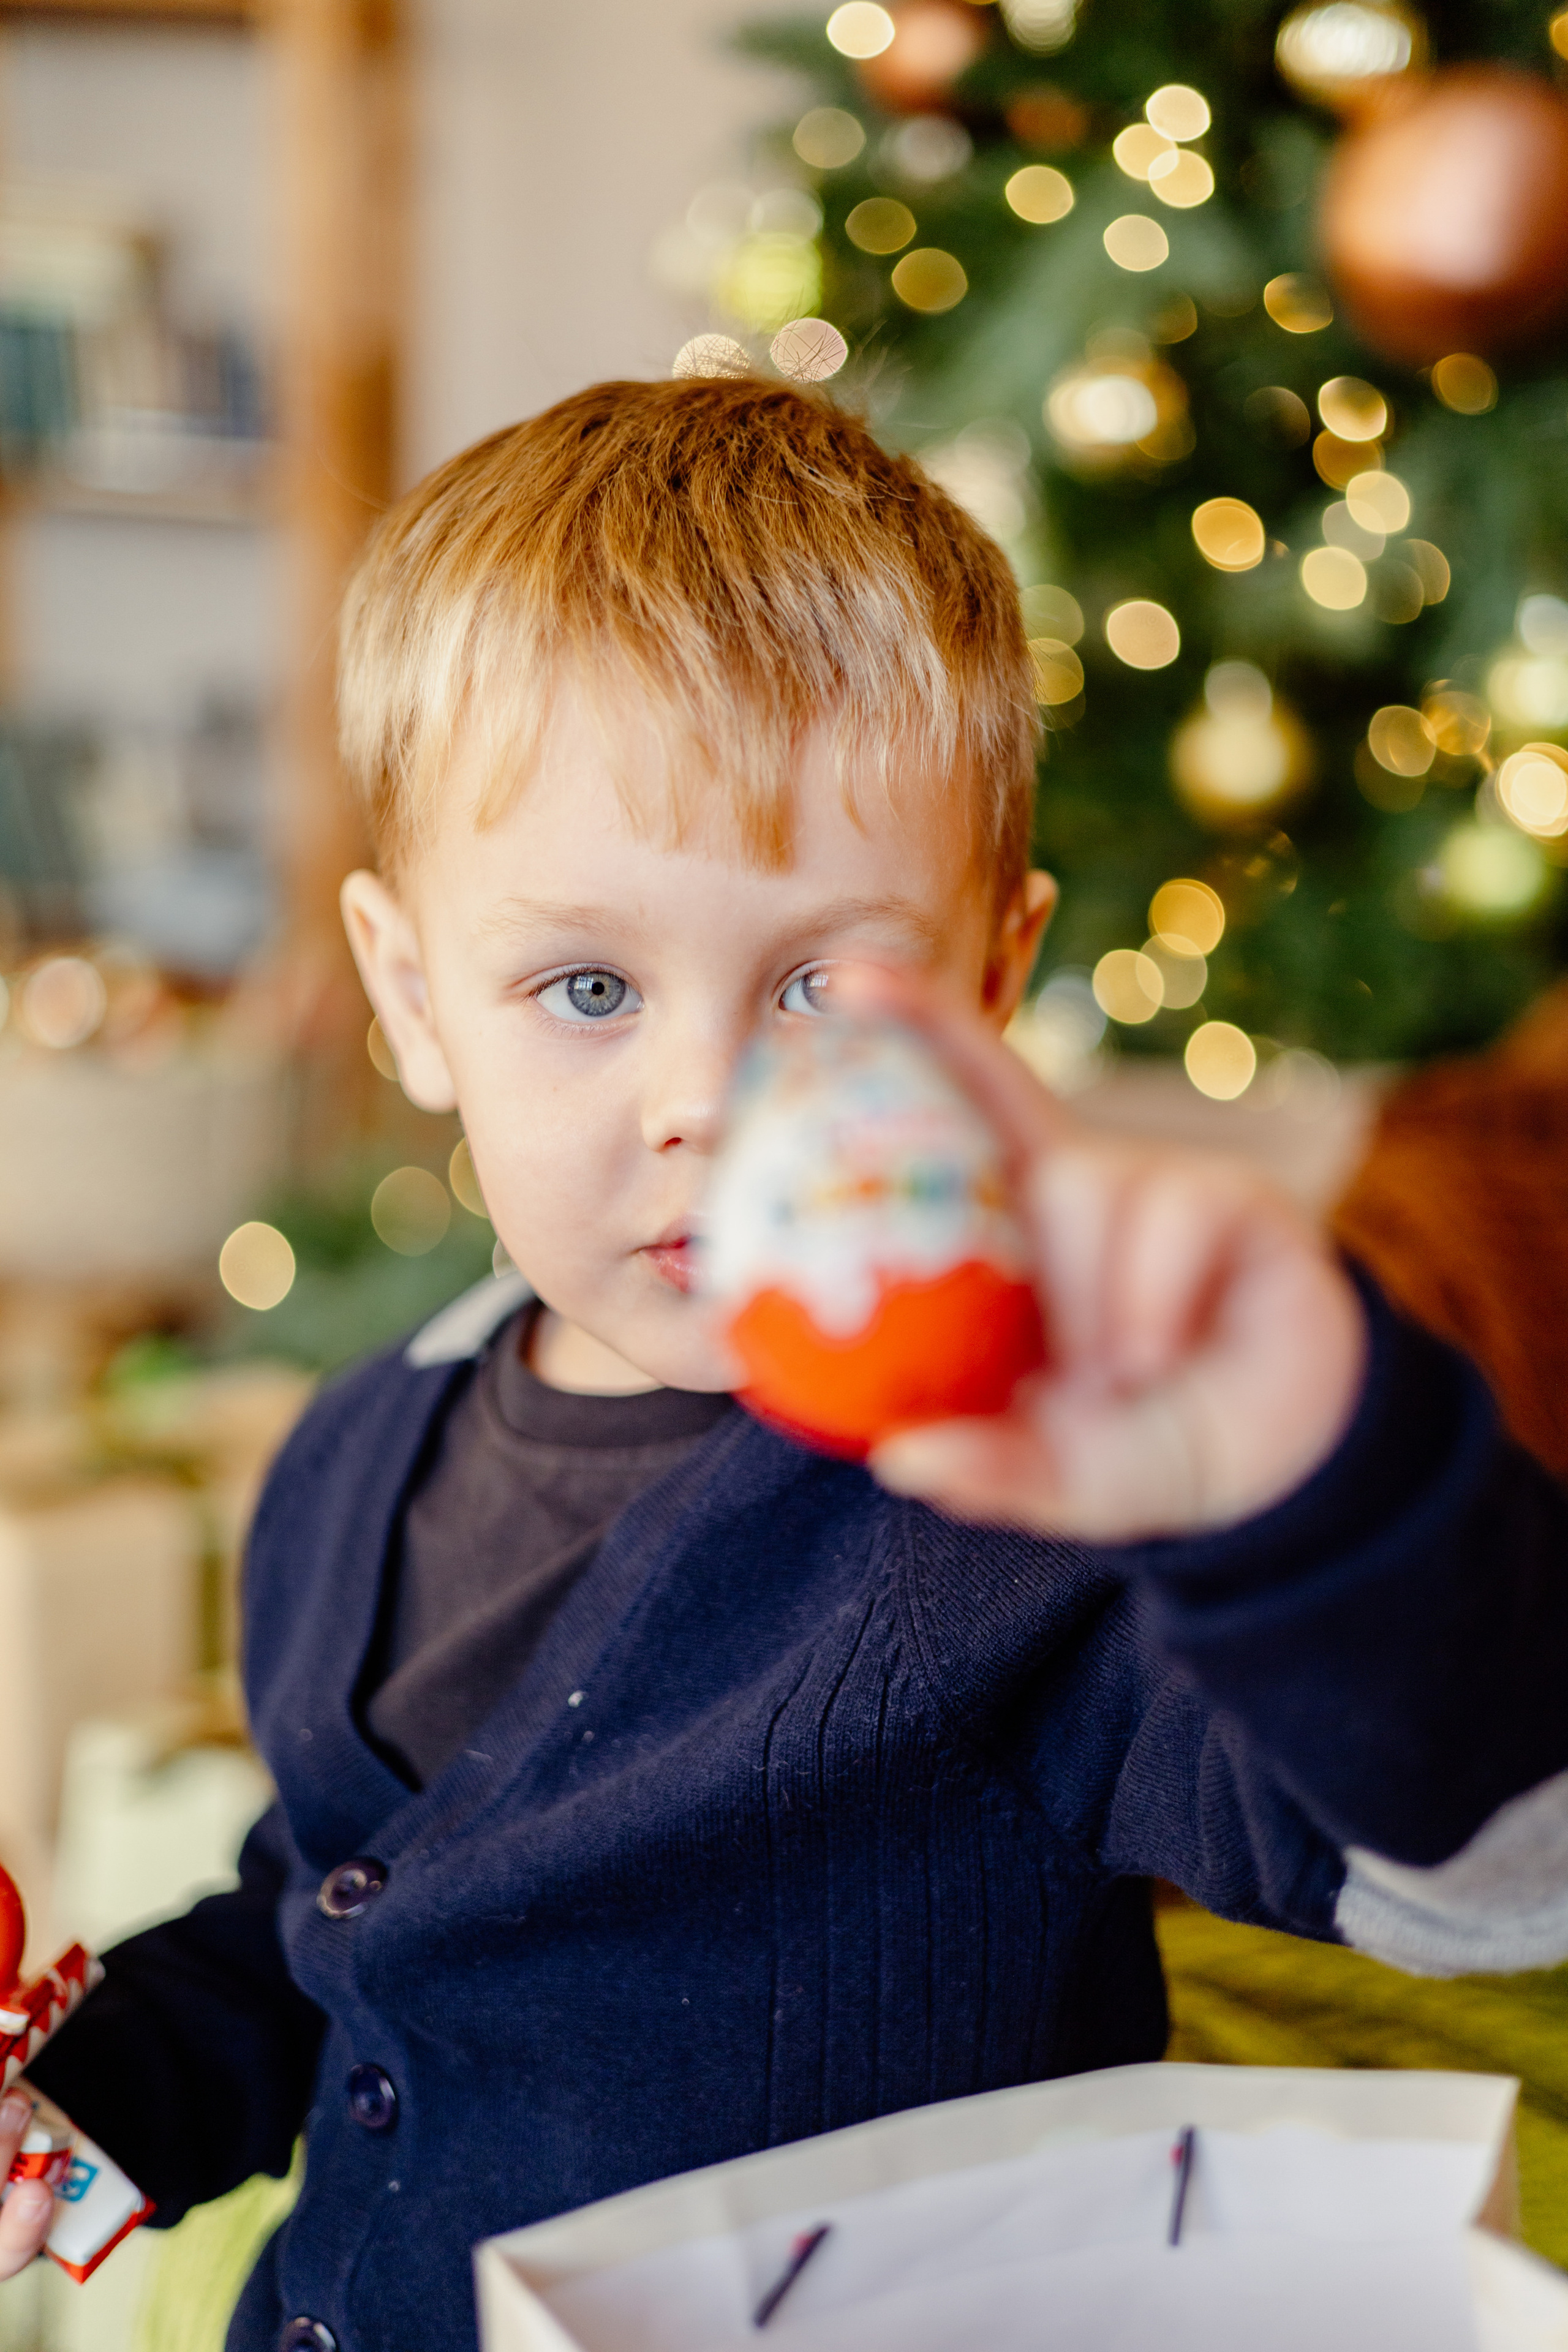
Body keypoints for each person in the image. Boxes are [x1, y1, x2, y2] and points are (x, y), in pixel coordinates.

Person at [4, 378, 1566, 2352]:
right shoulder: (350, 1453)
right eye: (586, 988)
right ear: (413, 1000)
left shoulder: (1010, 1512)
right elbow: (328, 1927)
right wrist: (98, 2097)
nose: (706, 1101)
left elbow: (1496, 1885)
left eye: (824, 985)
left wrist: (1313, 1490)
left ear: (994, 991)